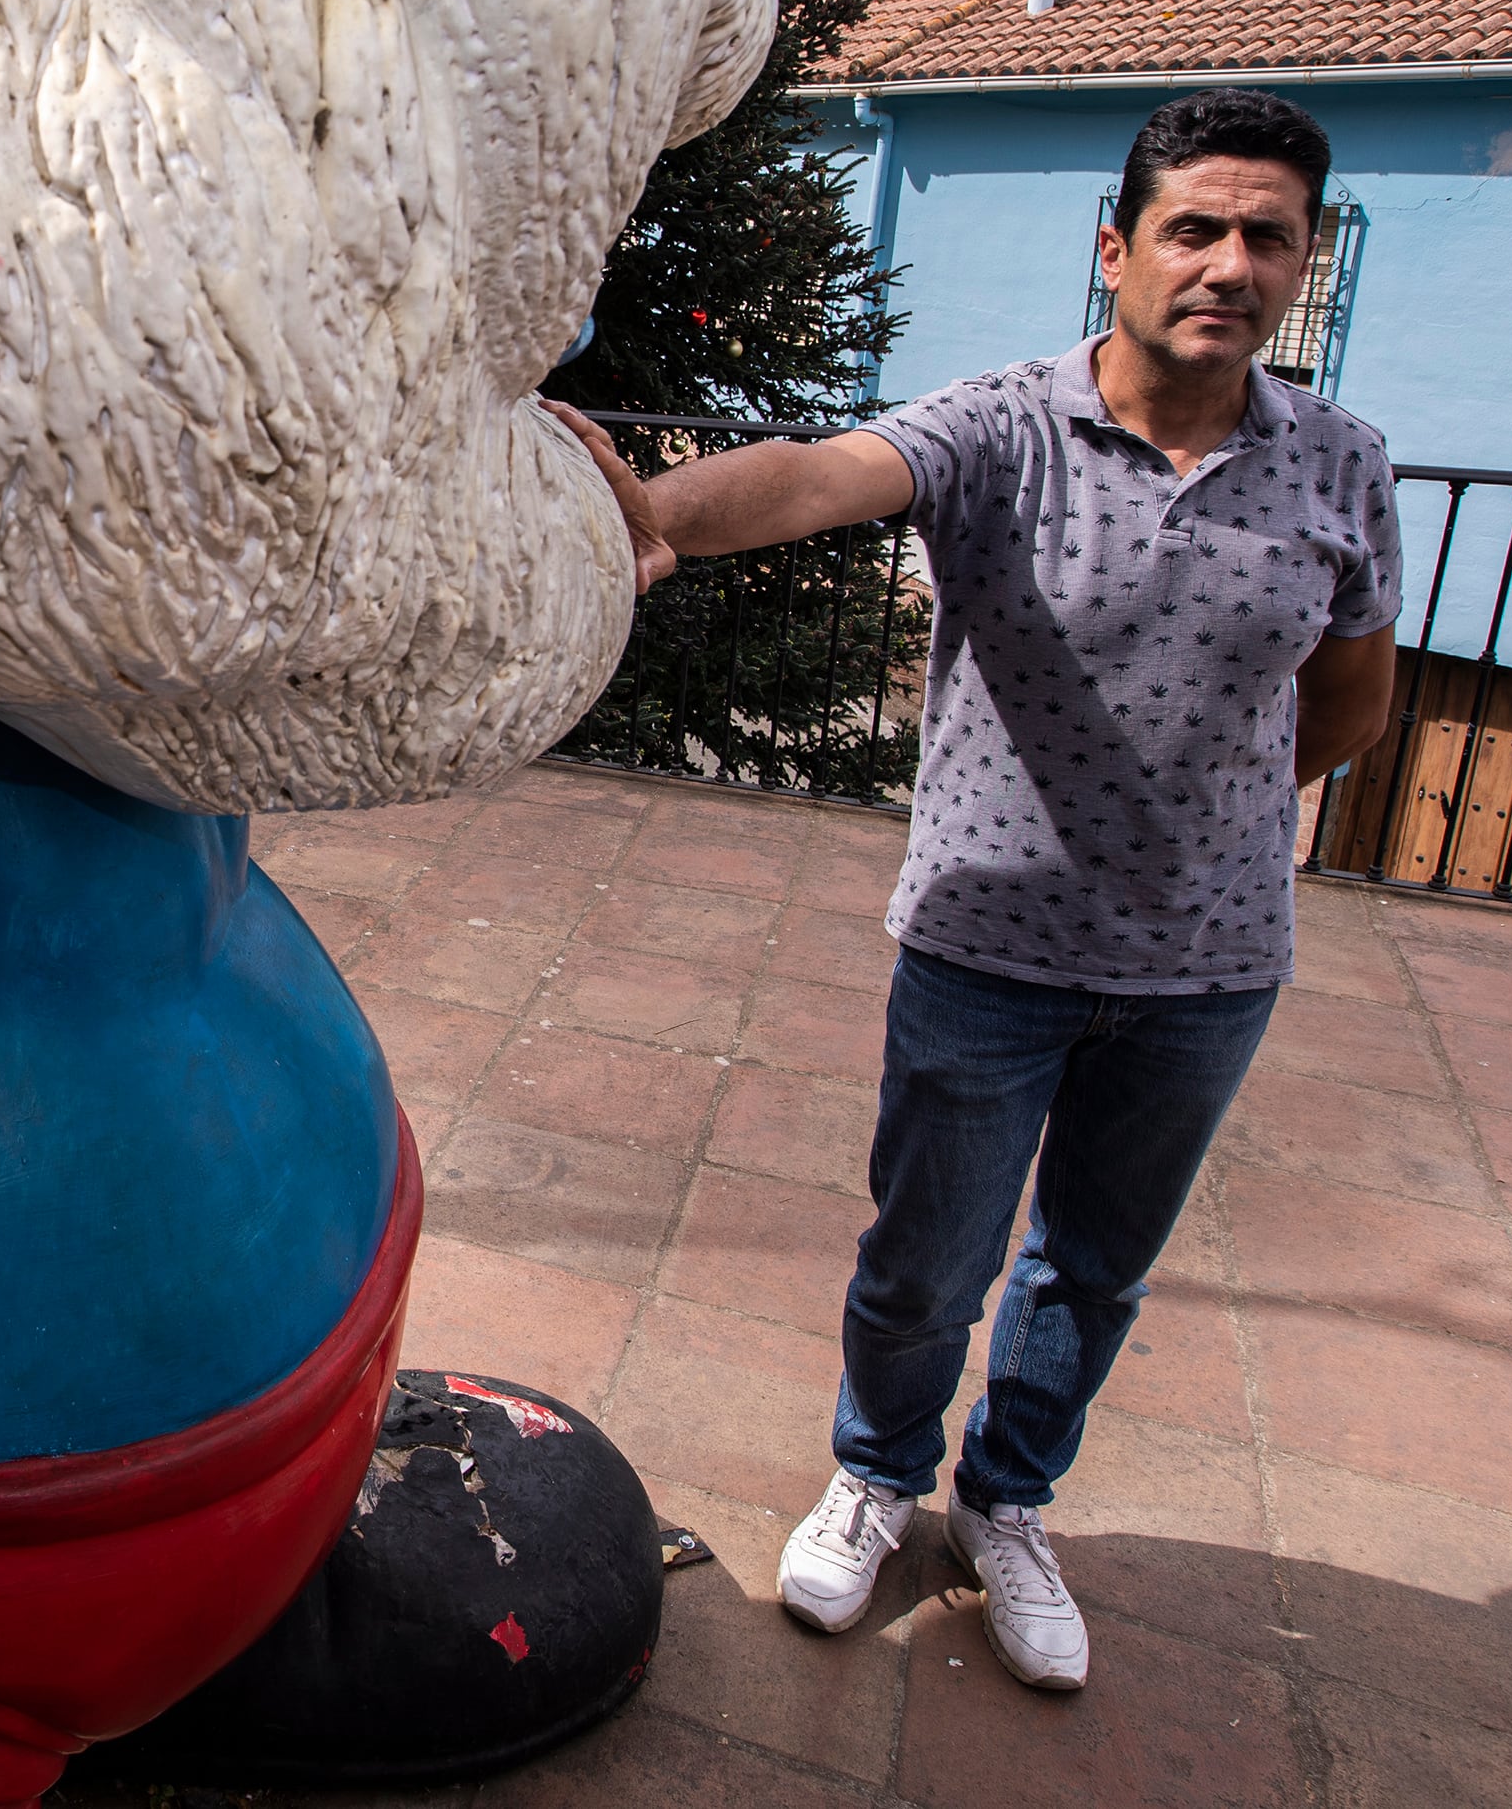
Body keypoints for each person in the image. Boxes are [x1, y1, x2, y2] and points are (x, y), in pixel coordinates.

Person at [552, 86, 1401, 1691]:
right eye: (1194, 228)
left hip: (1209, 964)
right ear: (1119, 248)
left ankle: (1008, 1502)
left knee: (1094, 1264)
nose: (1228, 262)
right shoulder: (1004, 425)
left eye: (1267, 237)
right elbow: (818, 473)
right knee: (927, 1255)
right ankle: (877, 1476)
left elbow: (1355, 700)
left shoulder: (1341, 463)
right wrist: (649, 519)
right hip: (985, 946)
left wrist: (1198, 822)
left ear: (1305, 263)